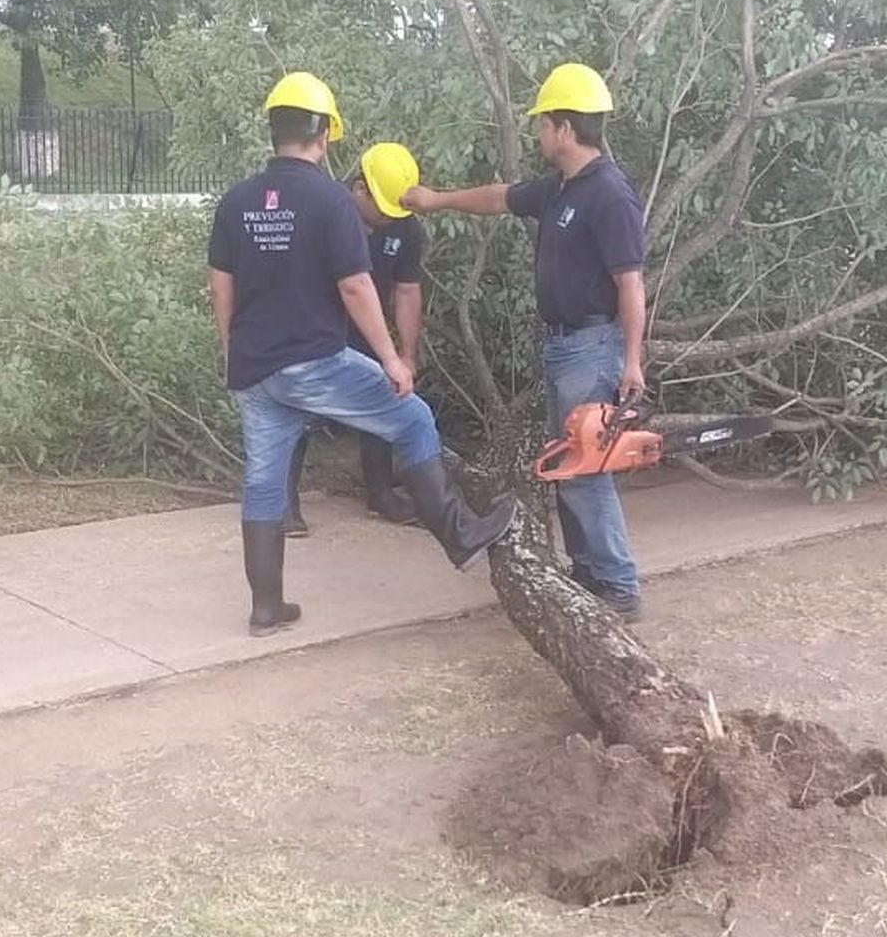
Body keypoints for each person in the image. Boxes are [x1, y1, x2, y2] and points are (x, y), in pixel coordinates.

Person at [207, 71, 515, 635]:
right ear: (324, 132)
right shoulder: (331, 202)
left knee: (263, 480)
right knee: (415, 418)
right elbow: (355, 287)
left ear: (274, 130)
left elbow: (220, 285)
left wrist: (232, 349)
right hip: (314, 361)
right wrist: (393, 360)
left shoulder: (237, 201)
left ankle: (267, 607)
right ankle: (461, 536)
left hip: (255, 366)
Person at [404, 62, 646, 617]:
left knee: (585, 470)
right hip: (565, 347)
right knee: (571, 467)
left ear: (564, 128)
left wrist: (631, 362)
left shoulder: (609, 195)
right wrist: (436, 200)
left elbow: (631, 285)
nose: (537, 134)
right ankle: (590, 576)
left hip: (592, 347)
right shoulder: (562, 187)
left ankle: (617, 585)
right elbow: (500, 197)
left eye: (542, 124)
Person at [285, 141, 426, 534]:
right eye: (382, 208)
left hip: (369, 329)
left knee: (381, 395)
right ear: (359, 188)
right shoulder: (326, 215)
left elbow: (408, 290)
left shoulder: (404, 225)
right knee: (297, 411)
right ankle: (283, 500)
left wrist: (405, 353)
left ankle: (380, 490)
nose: (388, 218)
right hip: (315, 327)